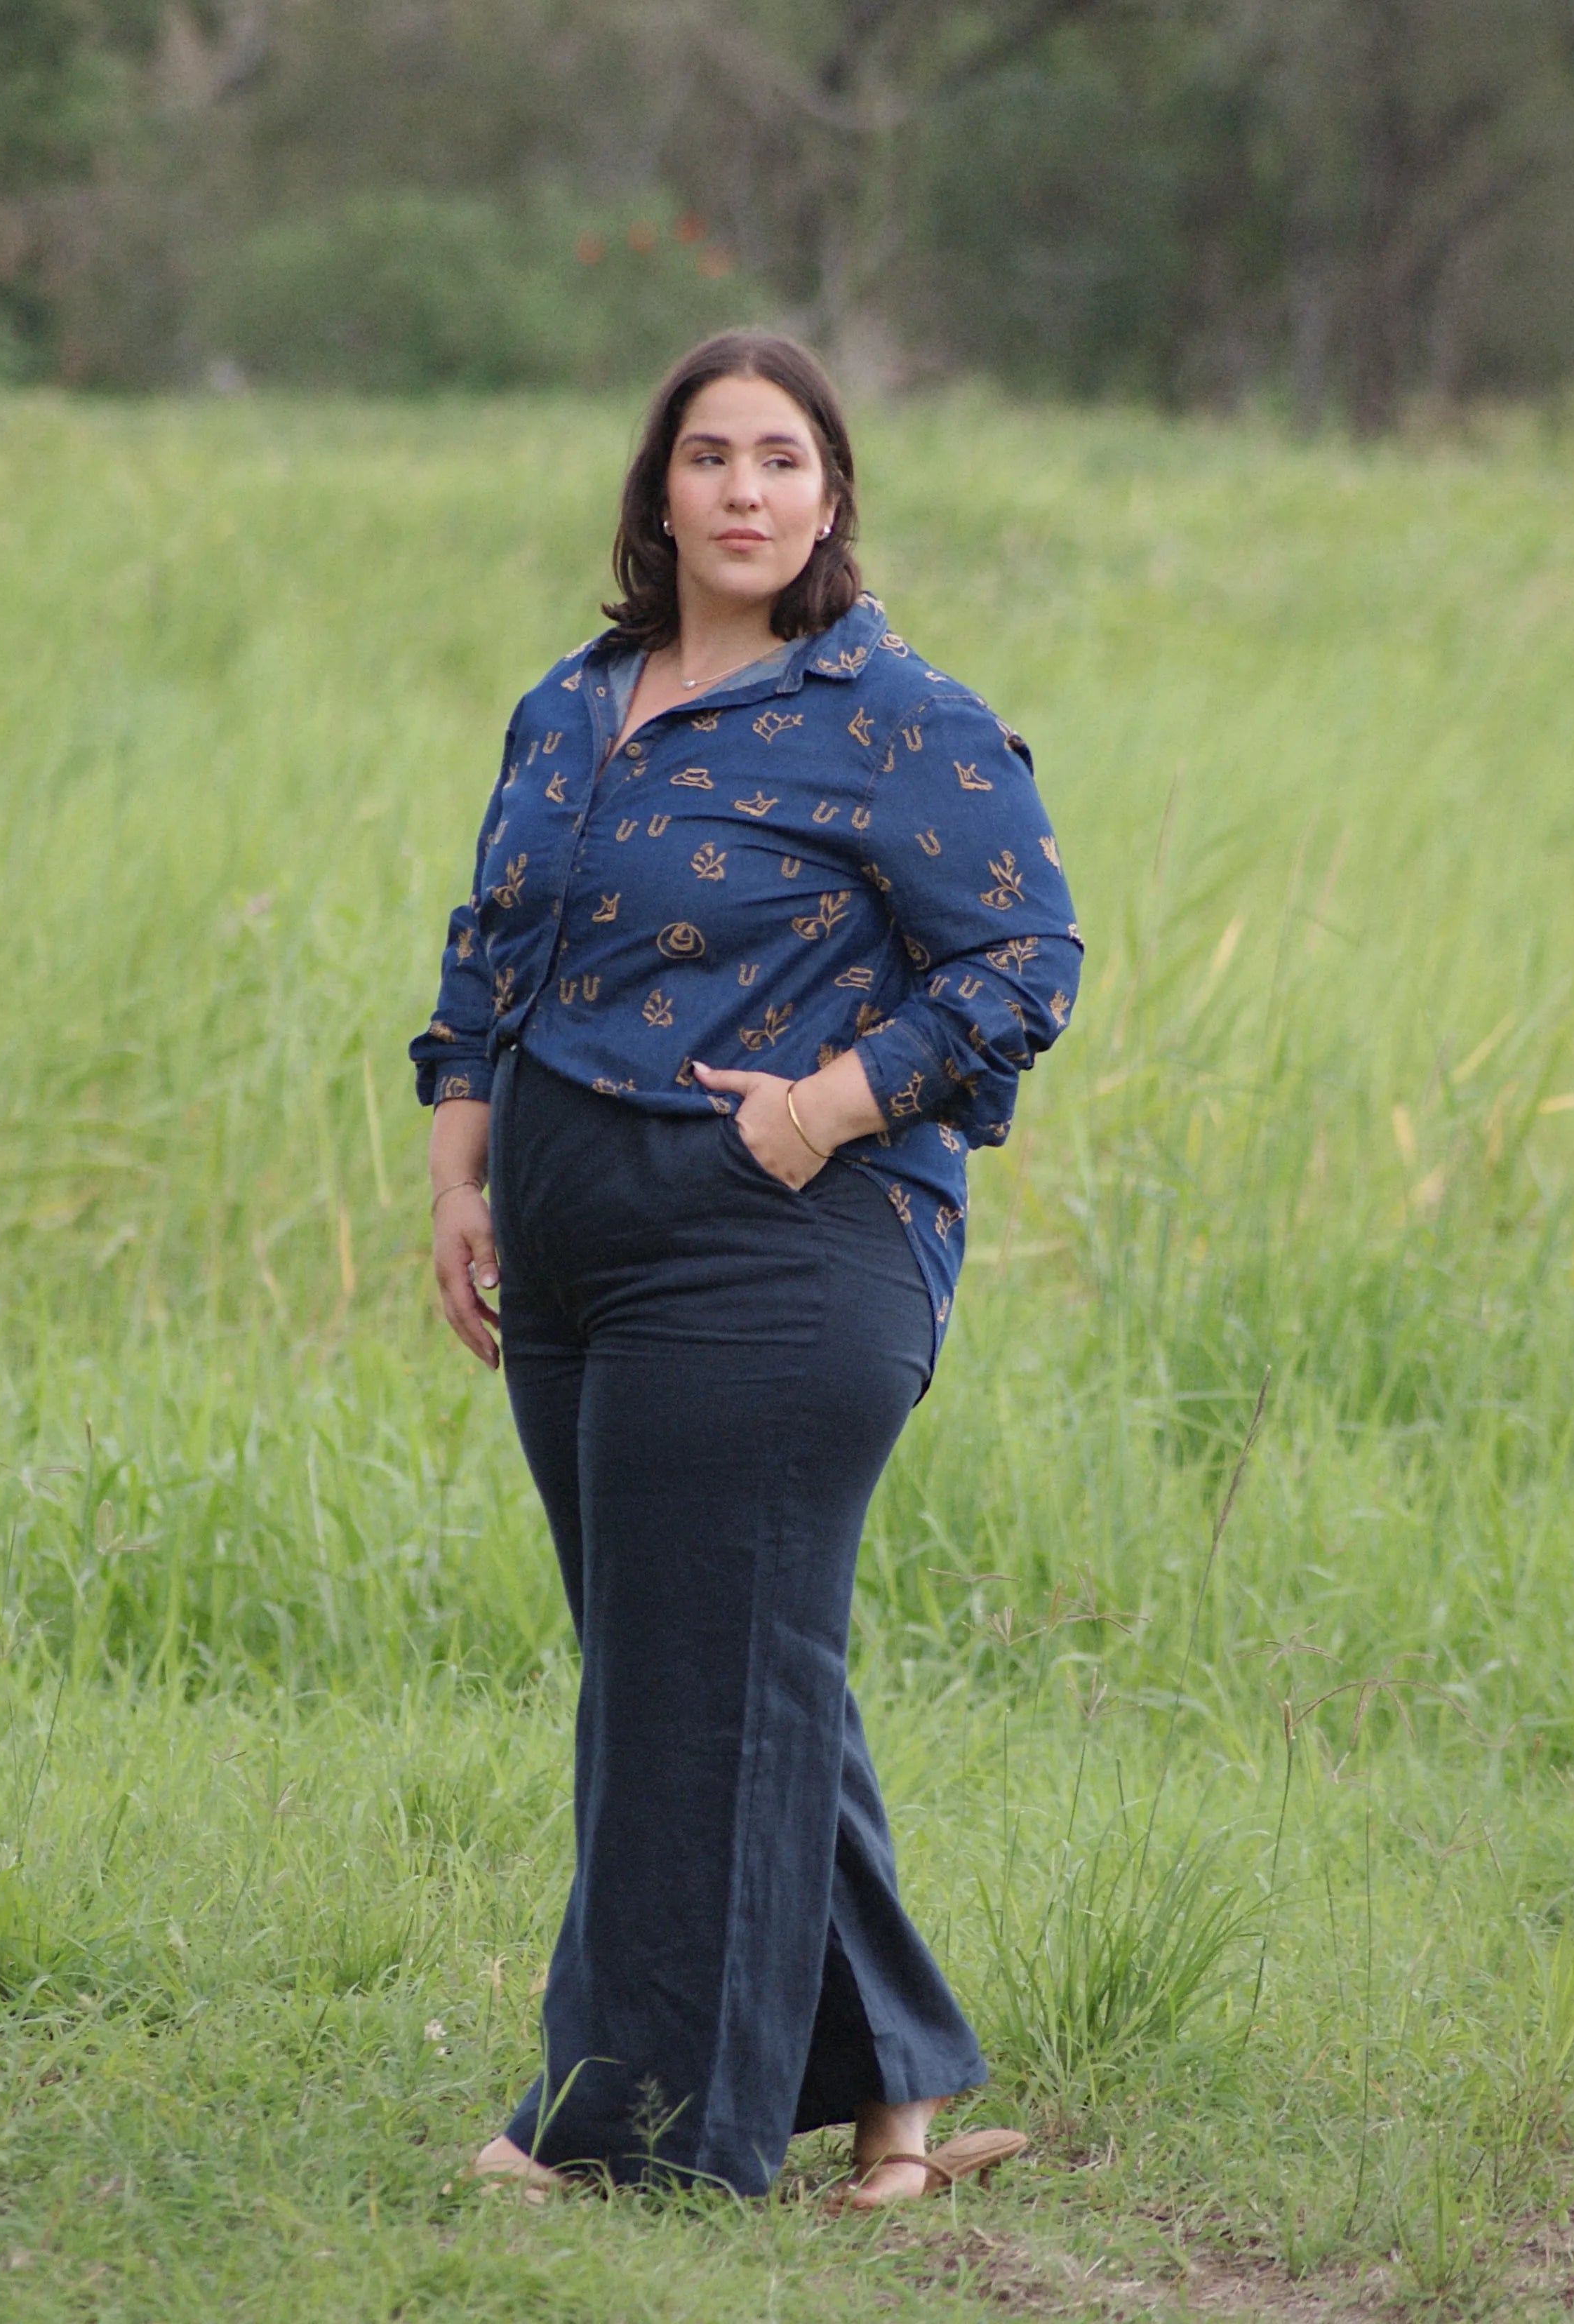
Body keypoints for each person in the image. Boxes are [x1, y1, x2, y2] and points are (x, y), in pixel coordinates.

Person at [411, 330, 1081, 2206]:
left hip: (782, 1249)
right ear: (659, 488)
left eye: (781, 458)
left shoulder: (895, 713)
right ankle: (896, 2095)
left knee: (689, 1683)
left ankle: (620, 2132)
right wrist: (460, 1171)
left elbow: (1025, 961)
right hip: (570, 1250)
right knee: (708, 1655)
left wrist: (828, 1108)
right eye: (709, 456)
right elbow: (491, 951)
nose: (743, 490)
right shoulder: (571, 703)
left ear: (831, 494)